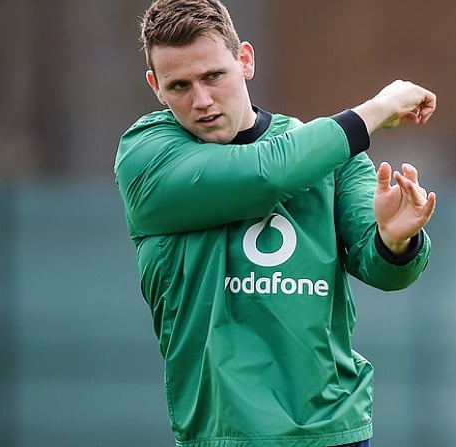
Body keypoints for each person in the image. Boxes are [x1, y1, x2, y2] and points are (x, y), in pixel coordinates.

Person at [114, 0, 437, 446]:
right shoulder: (148, 157)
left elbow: (383, 269)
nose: (202, 100)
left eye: (213, 76)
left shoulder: (327, 154)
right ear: (155, 86)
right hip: (222, 433)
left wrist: (394, 240)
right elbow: (267, 173)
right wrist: (375, 111)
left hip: (331, 428)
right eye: (180, 85)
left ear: (245, 60)